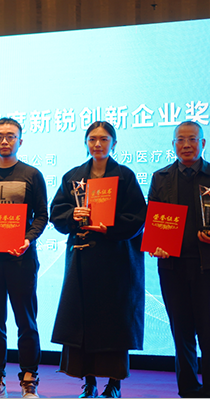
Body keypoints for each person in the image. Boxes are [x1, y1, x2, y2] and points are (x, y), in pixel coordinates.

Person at [49, 121, 146, 398]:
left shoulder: (124, 176)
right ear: (86, 143)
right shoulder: (73, 177)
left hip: (116, 262)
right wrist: (72, 216)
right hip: (82, 260)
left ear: (114, 143)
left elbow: (138, 217)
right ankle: (89, 382)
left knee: (115, 323)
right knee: (82, 322)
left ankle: (114, 384)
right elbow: (57, 212)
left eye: (104, 139)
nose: (98, 144)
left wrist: (110, 226)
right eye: (92, 139)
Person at [0, 117, 48, 399]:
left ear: (20, 141)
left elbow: (42, 215)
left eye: (11, 136)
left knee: (26, 321)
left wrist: (28, 239)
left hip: (20, 259)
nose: (5, 140)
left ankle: (29, 380)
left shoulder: (32, 174)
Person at [148, 121, 210, 398]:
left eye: (192, 139)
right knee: (181, 332)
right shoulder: (161, 177)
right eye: (181, 140)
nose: (186, 145)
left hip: (209, 266)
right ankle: (188, 390)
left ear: (203, 143)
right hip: (172, 267)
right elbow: (153, 217)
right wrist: (155, 244)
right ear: (173, 144)